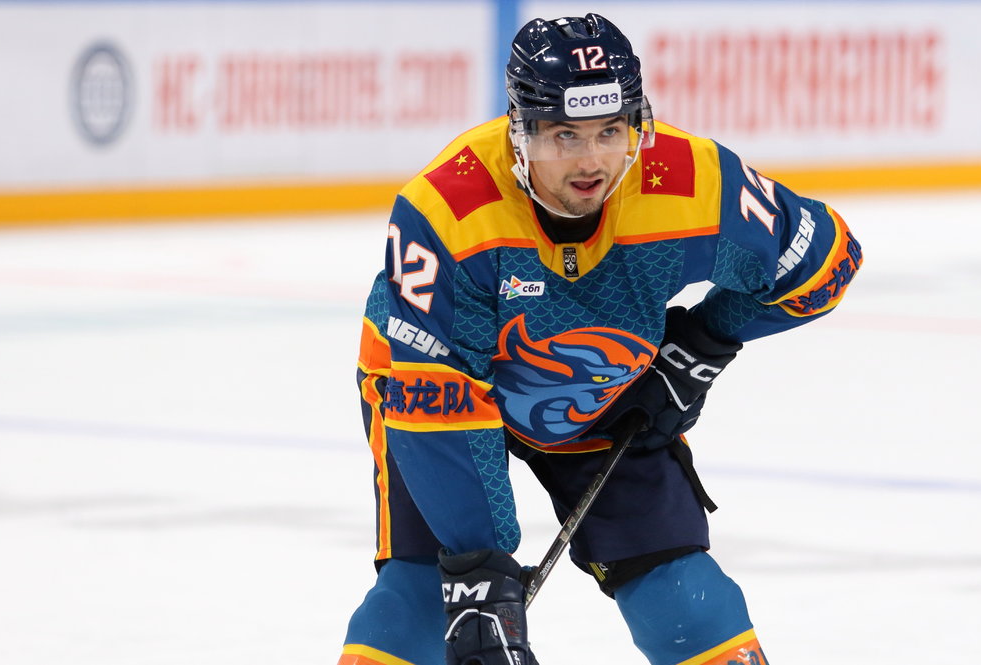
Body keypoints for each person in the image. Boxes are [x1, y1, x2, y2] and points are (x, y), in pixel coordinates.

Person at [338, 13, 862, 665]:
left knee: (680, 589)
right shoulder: (450, 208)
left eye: (610, 131)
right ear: (521, 131)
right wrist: (479, 571)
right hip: (438, 390)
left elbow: (825, 260)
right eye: (565, 135)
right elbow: (437, 396)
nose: (591, 162)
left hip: (602, 387)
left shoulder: (692, 181)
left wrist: (705, 340)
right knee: (427, 589)